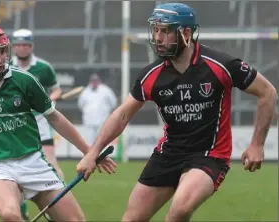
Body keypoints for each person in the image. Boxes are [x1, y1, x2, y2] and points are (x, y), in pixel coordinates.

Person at [76, 3, 277, 222]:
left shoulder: (221, 65)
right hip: (169, 153)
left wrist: (257, 143)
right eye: (155, 30)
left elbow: (267, 92)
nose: (158, 37)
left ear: (186, 33)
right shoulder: (151, 75)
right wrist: (93, 152)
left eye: (165, 30)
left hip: (209, 155)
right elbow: (122, 114)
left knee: (179, 211)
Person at [0, 26, 116, 222]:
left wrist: (89, 152)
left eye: (3, 51)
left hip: (34, 162)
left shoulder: (24, 80)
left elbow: (55, 118)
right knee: (11, 215)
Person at [10, 28, 64, 221]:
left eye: (25, 45)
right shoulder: (6, 66)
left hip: (40, 124)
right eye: (18, 45)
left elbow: (56, 90)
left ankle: (55, 209)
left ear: (31, 47)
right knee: (16, 171)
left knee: (52, 166)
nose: (22, 49)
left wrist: (48, 100)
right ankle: (20, 211)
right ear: (13, 47)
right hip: (15, 128)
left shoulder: (43, 67)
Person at [77, 73, 117, 145]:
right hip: (89, 122)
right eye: (92, 81)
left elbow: (113, 102)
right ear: (90, 81)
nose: (94, 82)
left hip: (102, 122)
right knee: (89, 143)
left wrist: (106, 111)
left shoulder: (106, 90)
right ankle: (90, 156)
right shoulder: (85, 91)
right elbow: (80, 105)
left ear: (99, 80)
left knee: (101, 142)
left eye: (95, 80)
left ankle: (102, 156)